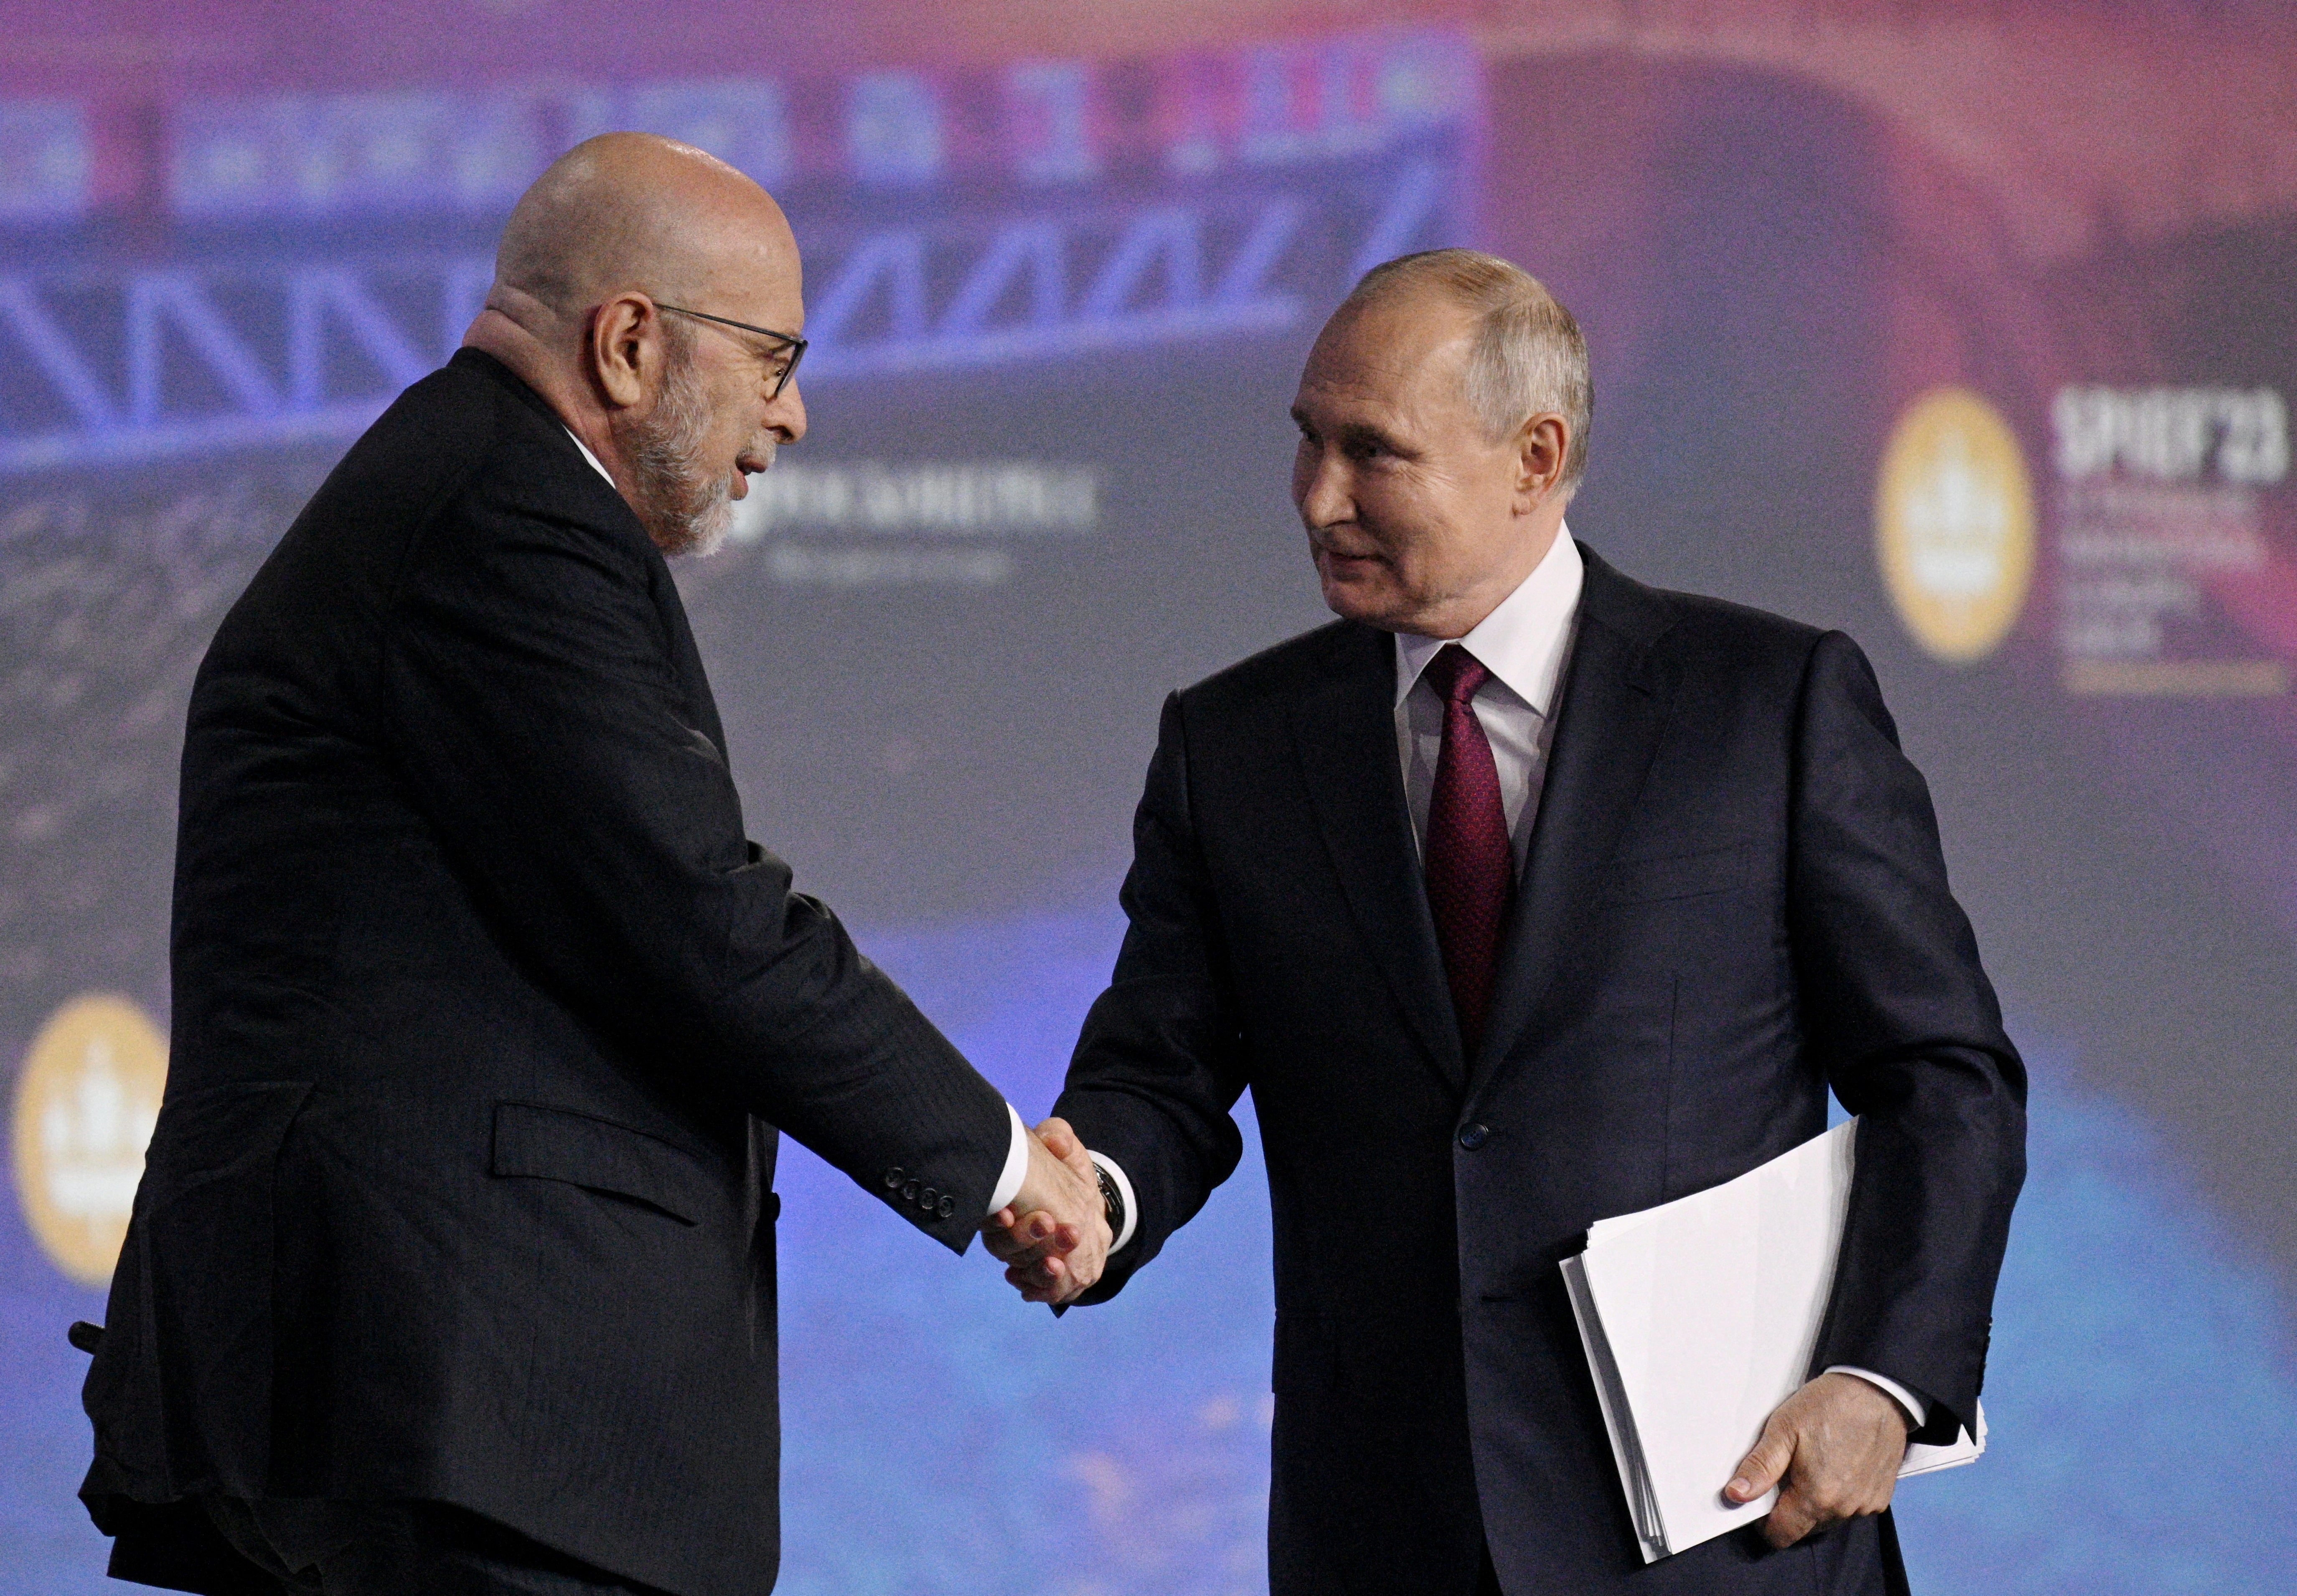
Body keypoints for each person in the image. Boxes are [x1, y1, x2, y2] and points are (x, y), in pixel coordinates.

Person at [75, 133, 1106, 1596]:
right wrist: (1005, 1163)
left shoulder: (477, 491)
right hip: (460, 1419)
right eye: (771, 359)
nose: (793, 416)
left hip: (450, 1418)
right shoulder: (501, 517)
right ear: (628, 343)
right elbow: (696, 912)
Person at [995, 249, 2026, 1594]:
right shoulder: (1234, 745)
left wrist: (1884, 1381)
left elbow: (1942, 1075)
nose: (1318, 498)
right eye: (1308, 442)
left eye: (1374, 454)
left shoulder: (1768, 704)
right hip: (1384, 1535)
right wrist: (1099, 1196)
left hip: (1730, 1538)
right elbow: (1161, 1072)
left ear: (1533, 457)